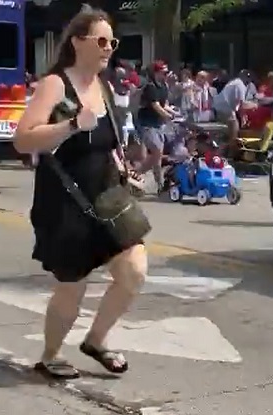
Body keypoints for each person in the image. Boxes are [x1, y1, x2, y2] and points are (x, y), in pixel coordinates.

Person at [13, 8, 149, 379]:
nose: (108, 49)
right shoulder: (56, 85)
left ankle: (96, 340)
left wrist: (124, 169)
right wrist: (72, 124)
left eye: (112, 42)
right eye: (100, 41)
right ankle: (51, 354)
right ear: (77, 42)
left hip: (107, 197)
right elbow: (23, 139)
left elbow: (107, 143)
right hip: (65, 202)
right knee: (71, 288)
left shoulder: (103, 86)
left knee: (134, 270)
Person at [137, 60, 176, 194]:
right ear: (156, 73)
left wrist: (175, 113)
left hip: (158, 124)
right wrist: (167, 116)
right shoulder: (150, 87)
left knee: (157, 155)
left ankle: (159, 185)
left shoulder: (164, 86)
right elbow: (155, 106)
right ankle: (136, 173)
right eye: (163, 72)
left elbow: (164, 105)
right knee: (157, 152)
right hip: (146, 124)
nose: (166, 75)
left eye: (166, 72)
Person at [213, 69, 254, 149]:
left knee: (234, 123)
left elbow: (238, 105)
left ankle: (228, 145)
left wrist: (243, 116)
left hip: (224, 107)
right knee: (234, 127)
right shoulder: (239, 85)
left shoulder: (236, 82)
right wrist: (255, 105)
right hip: (223, 108)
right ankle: (231, 148)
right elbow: (242, 104)